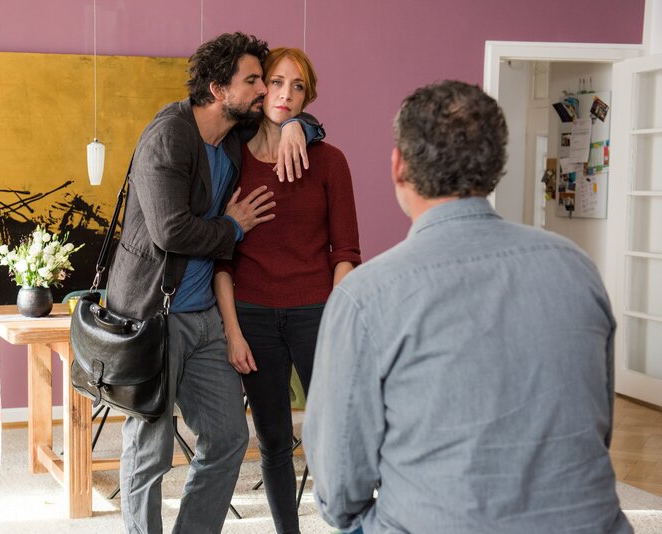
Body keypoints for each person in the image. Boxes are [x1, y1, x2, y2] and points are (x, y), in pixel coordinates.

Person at [302, 80, 631, 534]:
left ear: (399, 166)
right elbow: (598, 427)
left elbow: (339, 491)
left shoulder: (365, 296)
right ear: (495, 168)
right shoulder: (577, 267)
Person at [105, 32, 324, 534]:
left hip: (205, 317)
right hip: (153, 315)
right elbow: (171, 232)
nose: (263, 91)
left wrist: (297, 124)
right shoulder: (169, 136)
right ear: (218, 89)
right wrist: (233, 226)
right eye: (253, 81)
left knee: (227, 438)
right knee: (150, 450)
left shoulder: (232, 134)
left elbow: (293, 114)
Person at [214, 47, 360, 534]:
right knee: (274, 441)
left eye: (297, 87)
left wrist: (335, 321)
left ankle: (348, 523)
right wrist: (233, 331)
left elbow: (346, 251)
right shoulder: (233, 160)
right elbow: (222, 259)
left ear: (307, 98)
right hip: (252, 315)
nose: (285, 94)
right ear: (261, 89)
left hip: (316, 313)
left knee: (334, 435)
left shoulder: (331, 162)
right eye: (276, 82)